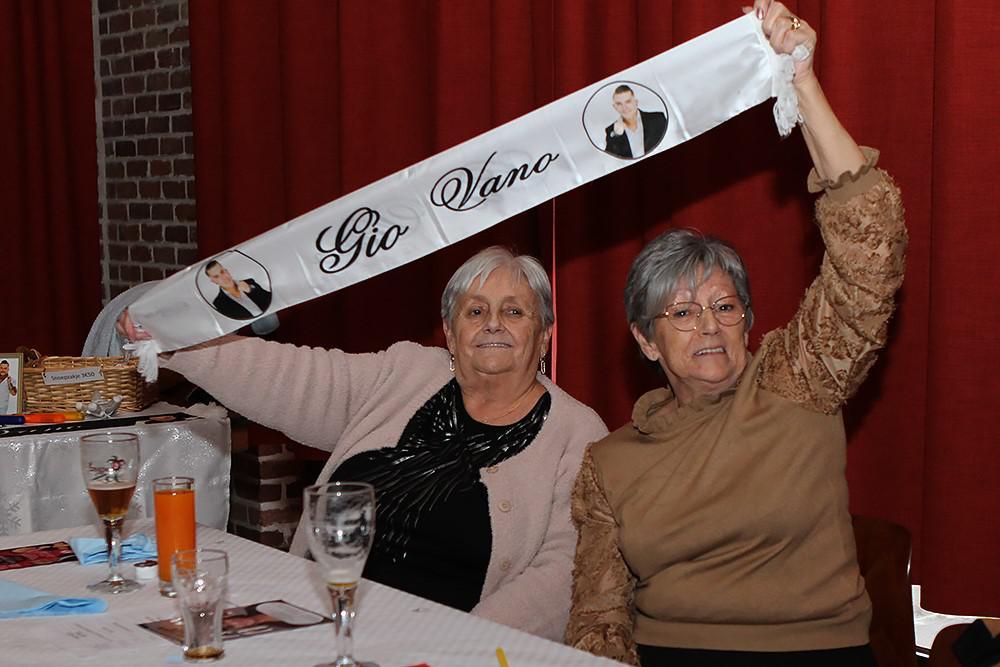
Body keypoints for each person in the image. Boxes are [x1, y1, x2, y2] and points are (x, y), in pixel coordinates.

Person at [566, 2, 907, 665]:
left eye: (725, 306)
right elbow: (598, 621)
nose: (709, 325)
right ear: (645, 340)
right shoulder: (608, 464)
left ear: (749, 321)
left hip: (813, 654)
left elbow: (871, 248)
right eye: (681, 312)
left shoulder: (798, 379)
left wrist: (802, 82)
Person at [119, 246, 608, 641]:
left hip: (447, 646)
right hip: (321, 625)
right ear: (450, 333)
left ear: (544, 335)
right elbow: (291, 376)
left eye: (514, 311)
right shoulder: (405, 373)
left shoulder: (577, 433)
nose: (493, 323)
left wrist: (463, 644)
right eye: (475, 311)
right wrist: (178, 340)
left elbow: (562, 574)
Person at [604, 84, 667, 159]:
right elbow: (610, 160)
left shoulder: (657, 119)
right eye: (619, 104)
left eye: (628, 101)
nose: (624, 107)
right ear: (615, 107)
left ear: (636, 102)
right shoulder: (611, 131)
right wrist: (616, 135)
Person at [204, 259, 272, 320]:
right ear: (213, 281)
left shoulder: (249, 282)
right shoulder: (219, 303)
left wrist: (251, 289)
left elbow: (271, 299)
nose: (223, 278)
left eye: (222, 272)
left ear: (227, 271)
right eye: (216, 276)